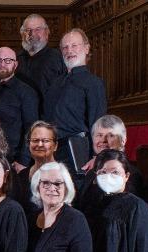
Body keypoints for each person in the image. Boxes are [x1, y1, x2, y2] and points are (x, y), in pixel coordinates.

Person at [44, 28, 106, 175]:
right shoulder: (55, 84)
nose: (69, 50)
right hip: (52, 150)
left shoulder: (94, 83)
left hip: (79, 151)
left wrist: (97, 156)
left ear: (86, 48)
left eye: (74, 45)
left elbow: (98, 123)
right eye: (65, 47)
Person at [0, 47, 39, 171]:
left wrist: (23, 160)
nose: (2, 64)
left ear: (15, 64)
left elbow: (31, 127)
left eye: (8, 60)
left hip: (13, 160)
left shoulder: (26, 92)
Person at [75, 115, 144, 211]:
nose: (103, 140)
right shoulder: (90, 171)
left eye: (111, 135)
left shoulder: (132, 174)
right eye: (99, 135)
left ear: (123, 141)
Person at [15, 14, 66, 112]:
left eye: (38, 29)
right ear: (22, 34)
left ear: (47, 32)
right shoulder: (14, 59)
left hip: (48, 119)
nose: (32, 34)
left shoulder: (59, 58)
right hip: (20, 119)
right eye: (28, 30)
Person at [11, 120, 58, 213]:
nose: (40, 144)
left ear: (55, 145)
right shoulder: (21, 176)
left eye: (45, 141)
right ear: (28, 145)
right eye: (35, 140)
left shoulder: (64, 176)